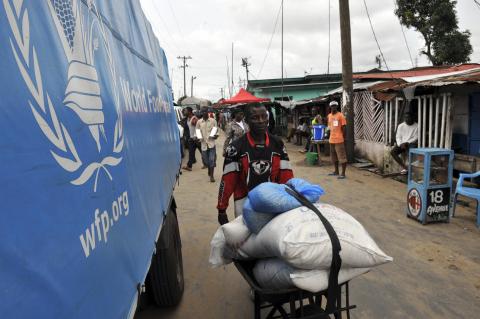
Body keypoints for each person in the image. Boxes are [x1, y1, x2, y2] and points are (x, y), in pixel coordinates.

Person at [217, 103, 293, 225]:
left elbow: (286, 176)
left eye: (264, 116)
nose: (261, 121)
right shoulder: (235, 148)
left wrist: (290, 201)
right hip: (244, 205)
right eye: (255, 118)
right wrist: (221, 208)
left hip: (274, 203)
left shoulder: (278, 144)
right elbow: (228, 180)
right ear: (246, 120)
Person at [197, 107, 218, 182]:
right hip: (203, 145)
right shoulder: (199, 122)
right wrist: (199, 138)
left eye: (205, 111)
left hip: (211, 144)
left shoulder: (213, 121)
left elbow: (216, 131)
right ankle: (209, 168)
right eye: (202, 111)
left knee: (211, 160)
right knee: (206, 161)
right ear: (201, 112)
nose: (204, 113)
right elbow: (197, 131)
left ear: (208, 112)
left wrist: (215, 136)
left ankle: (211, 176)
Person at [327, 100, 347, 179]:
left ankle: (343, 173)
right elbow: (329, 127)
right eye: (332, 106)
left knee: (342, 157)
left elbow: (344, 127)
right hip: (331, 140)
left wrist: (344, 138)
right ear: (330, 107)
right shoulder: (329, 116)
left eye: (335, 106)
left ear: (337, 106)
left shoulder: (340, 115)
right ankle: (336, 171)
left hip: (339, 140)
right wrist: (327, 135)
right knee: (334, 157)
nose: (333, 107)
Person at [182, 107, 202, 171]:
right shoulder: (188, 119)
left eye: (185, 111)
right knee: (191, 153)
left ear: (190, 112)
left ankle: (208, 163)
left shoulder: (194, 119)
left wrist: (198, 138)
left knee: (203, 153)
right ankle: (189, 166)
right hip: (191, 139)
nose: (184, 112)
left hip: (196, 139)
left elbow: (199, 128)